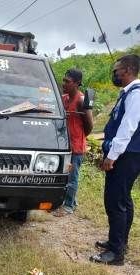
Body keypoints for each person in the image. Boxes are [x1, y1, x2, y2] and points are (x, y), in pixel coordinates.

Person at [90, 54, 140, 265]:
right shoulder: (128, 93)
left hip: (127, 155)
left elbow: (127, 128)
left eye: (116, 70)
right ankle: (119, 242)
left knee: (115, 202)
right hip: (127, 154)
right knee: (124, 199)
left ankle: (115, 253)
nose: (115, 74)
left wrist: (112, 156)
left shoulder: (136, 94)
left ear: (127, 70)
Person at [53, 68, 93, 216]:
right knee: (63, 175)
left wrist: (79, 136)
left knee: (72, 177)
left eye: (67, 81)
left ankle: (69, 205)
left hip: (75, 146)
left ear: (77, 83)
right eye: (63, 80)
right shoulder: (63, 99)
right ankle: (70, 201)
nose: (64, 84)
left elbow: (89, 125)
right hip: (64, 144)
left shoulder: (81, 101)